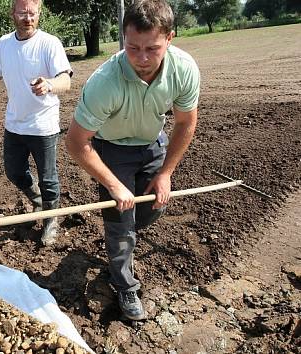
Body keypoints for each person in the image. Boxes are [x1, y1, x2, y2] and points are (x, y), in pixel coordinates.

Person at [65, 0, 200, 320]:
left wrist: (166, 172)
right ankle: (125, 285)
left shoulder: (183, 69)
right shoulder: (104, 82)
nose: (141, 59)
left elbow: (185, 122)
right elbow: (75, 142)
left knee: (156, 204)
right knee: (121, 226)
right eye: (132, 47)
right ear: (123, 39)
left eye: (152, 48)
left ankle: (121, 237)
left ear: (170, 38)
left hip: (152, 143)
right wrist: (113, 186)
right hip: (111, 150)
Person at [0, 0, 72, 246]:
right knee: (14, 172)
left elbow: (65, 80)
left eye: (32, 13)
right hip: (14, 124)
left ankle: (51, 220)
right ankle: (37, 199)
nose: (28, 18)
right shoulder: (4, 44)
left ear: (39, 14)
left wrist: (49, 84)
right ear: (13, 14)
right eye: (22, 13)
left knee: (48, 178)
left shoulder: (49, 43)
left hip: (43, 126)